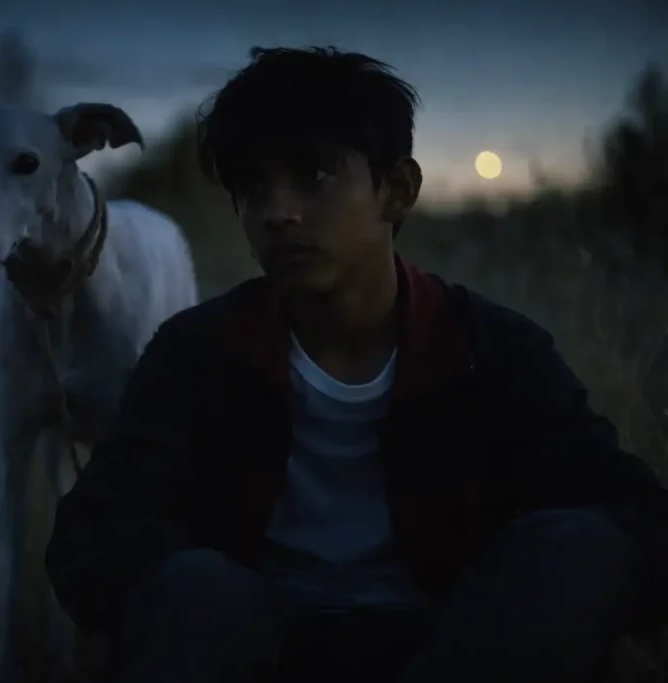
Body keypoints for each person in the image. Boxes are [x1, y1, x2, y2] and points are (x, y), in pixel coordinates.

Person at [45, 46, 668, 683]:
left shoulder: (488, 349)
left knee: (575, 546)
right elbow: (92, 533)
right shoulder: (200, 352)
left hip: (453, 647)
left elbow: (635, 517)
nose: (277, 212)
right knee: (196, 587)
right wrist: (193, 585)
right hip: (263, 648)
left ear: (396, 191)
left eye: (313, 176)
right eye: (252, 187)